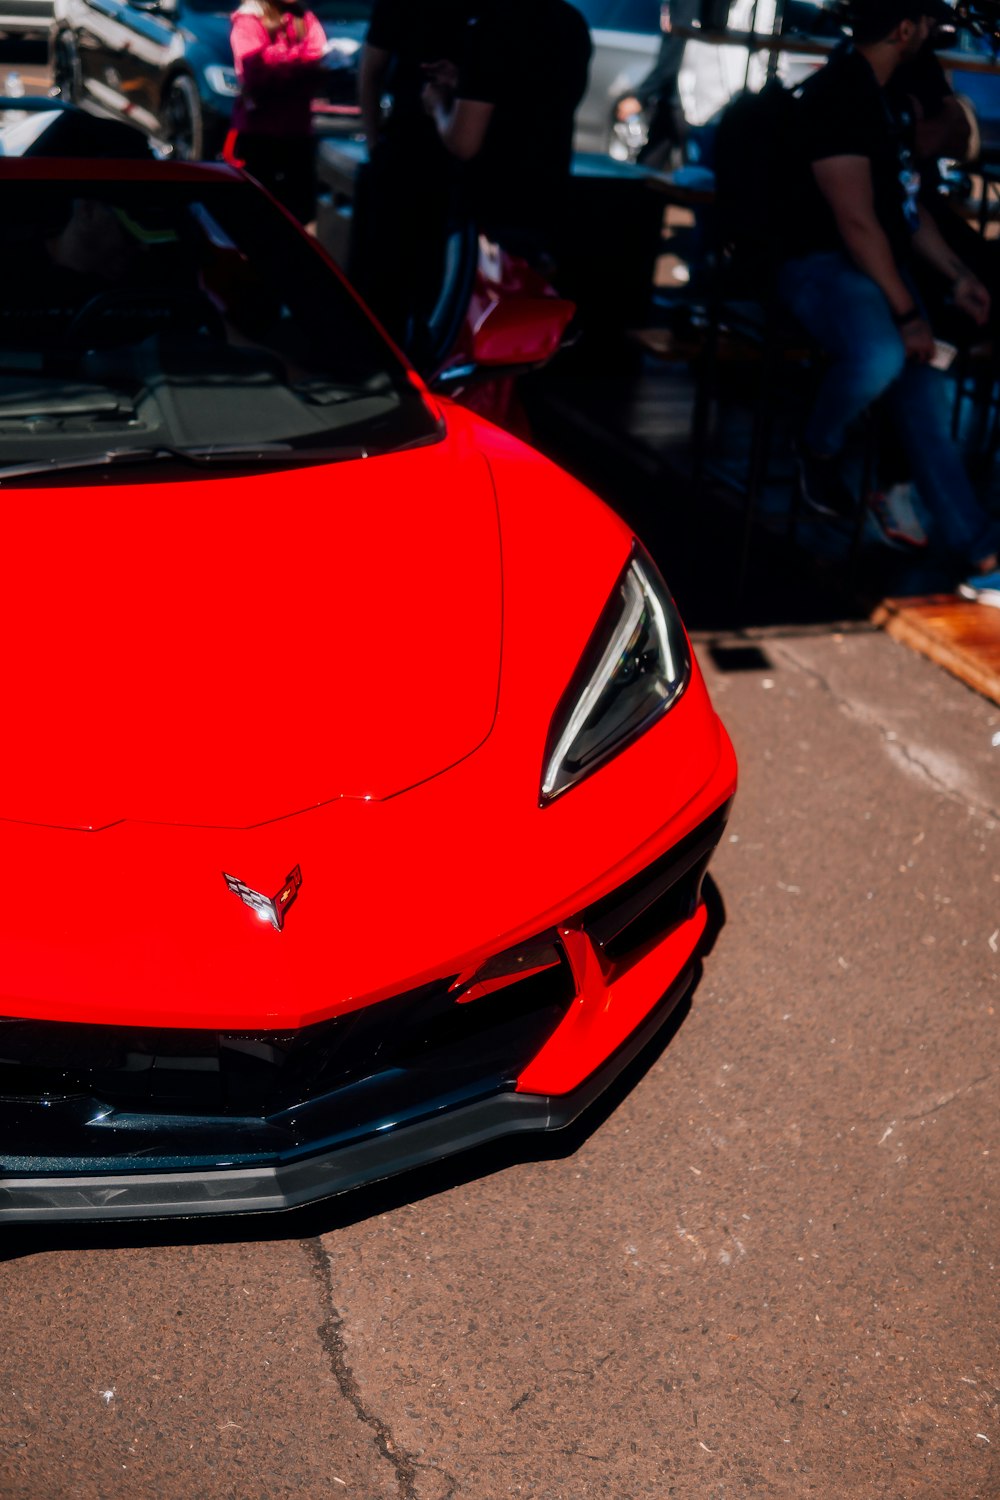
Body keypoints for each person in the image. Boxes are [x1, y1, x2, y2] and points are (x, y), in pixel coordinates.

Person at [776, 0, 1000, 605]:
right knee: (882, 353)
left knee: (921, 381)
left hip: (870, 267)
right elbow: (856, 221)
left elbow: (907, 206)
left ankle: (984, 555)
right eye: (925, 22)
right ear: (905, 30)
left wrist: (956, 276)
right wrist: (907, 312)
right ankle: (816, 447)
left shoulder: (882, 98)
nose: (931, 32)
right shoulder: (838, 96)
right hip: (820, 266)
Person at [421, 0, 592, 271]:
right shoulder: (571, 23)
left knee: (477, 309)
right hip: (545, 202)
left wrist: (439, 106)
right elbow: (532, 98)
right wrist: (466, 84)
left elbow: (464, 143)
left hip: (491, 212)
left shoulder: (494, 27)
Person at [351, 0, 475, 350]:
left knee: (436, 272)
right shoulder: (399, 7)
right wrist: (374, 141)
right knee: (387, 266)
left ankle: (420, 352)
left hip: (455, 155)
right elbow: (370, 69)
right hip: (406, 145)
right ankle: (381, 358)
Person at [228, 0, 326, 224]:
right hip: (259, 135)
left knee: (300, 213)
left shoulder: (304, 18)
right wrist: (301, 65)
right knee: (256, 211)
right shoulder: (249, 20)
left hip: (297, 132)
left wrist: (289, 63)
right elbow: (254, 71)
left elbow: (317, 53)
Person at [614, 0, 700, 170]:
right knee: (648, 167)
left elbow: (677, 43)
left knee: (694, 173)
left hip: (685, 99)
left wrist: (641, 96)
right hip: (672, 99)